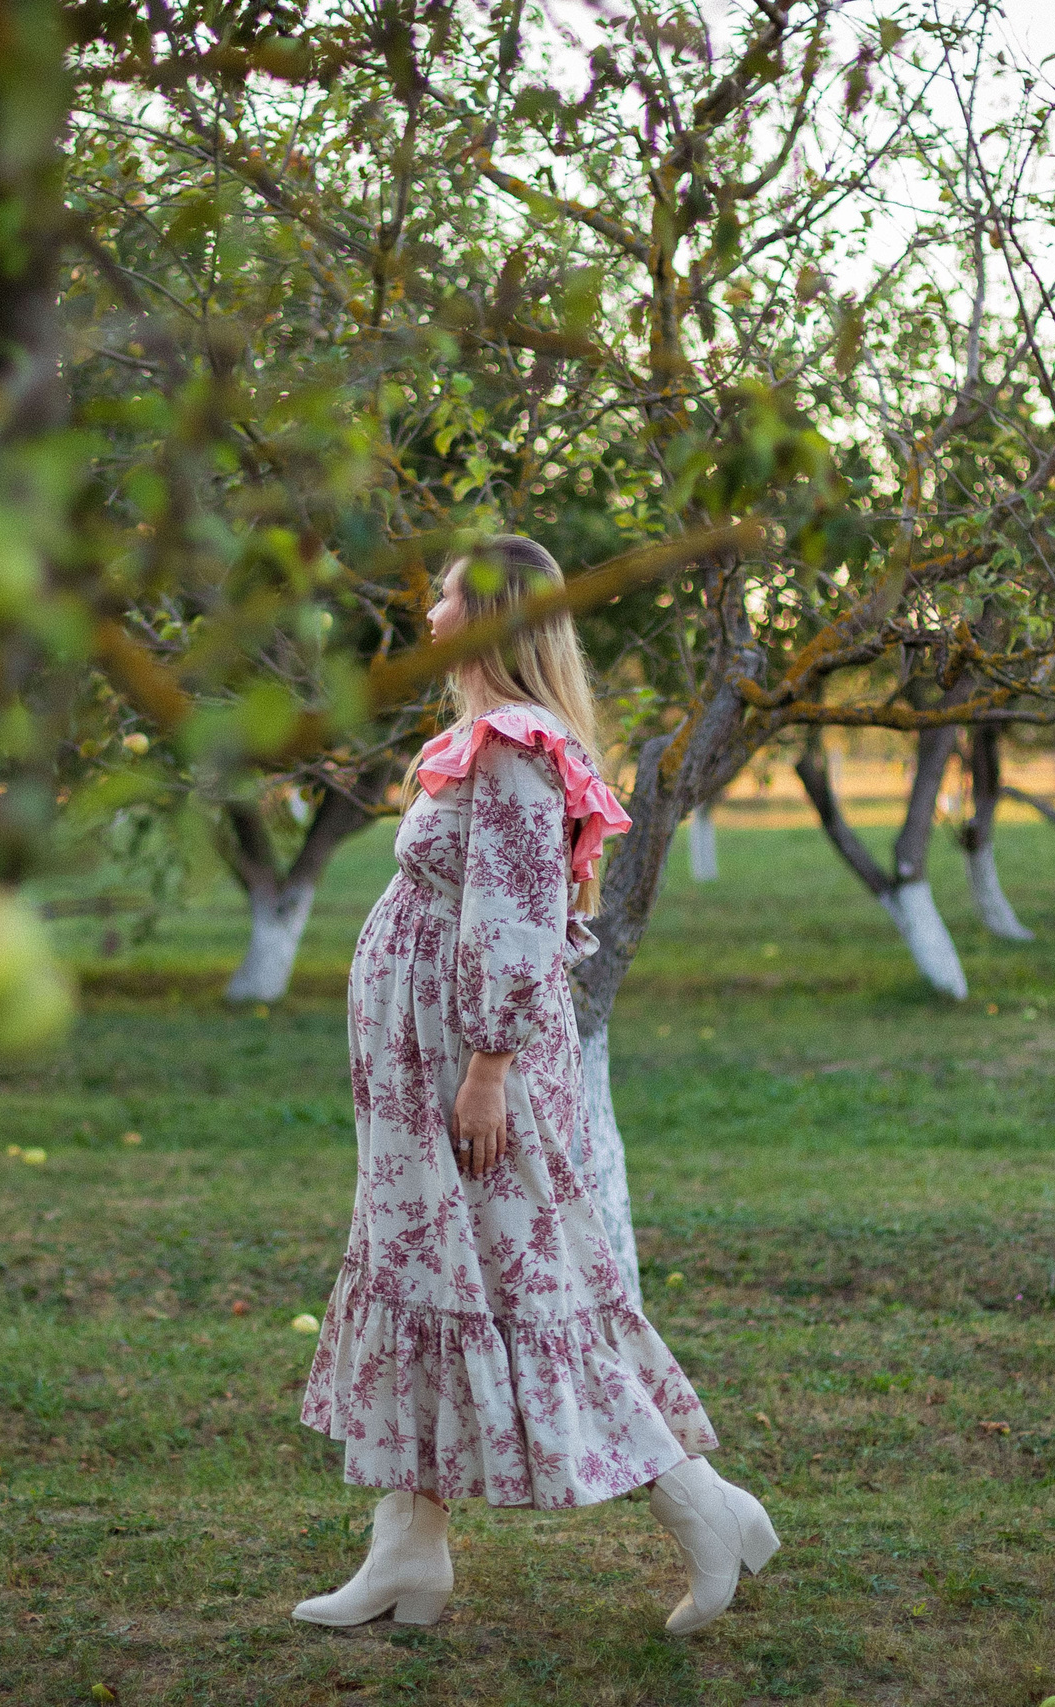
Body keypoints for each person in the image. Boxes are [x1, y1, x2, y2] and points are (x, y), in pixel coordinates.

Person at [294, 535, 777, 1635]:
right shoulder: (480, 740)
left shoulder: (516, 749)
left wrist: (487, 1068)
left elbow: (516, 919)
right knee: (426, 1277)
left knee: (530, 1284)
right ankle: (406, 1552)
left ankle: (703, 1510)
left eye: (447, 600)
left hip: (472, 1069)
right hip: (424, 1070)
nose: (429, 617)